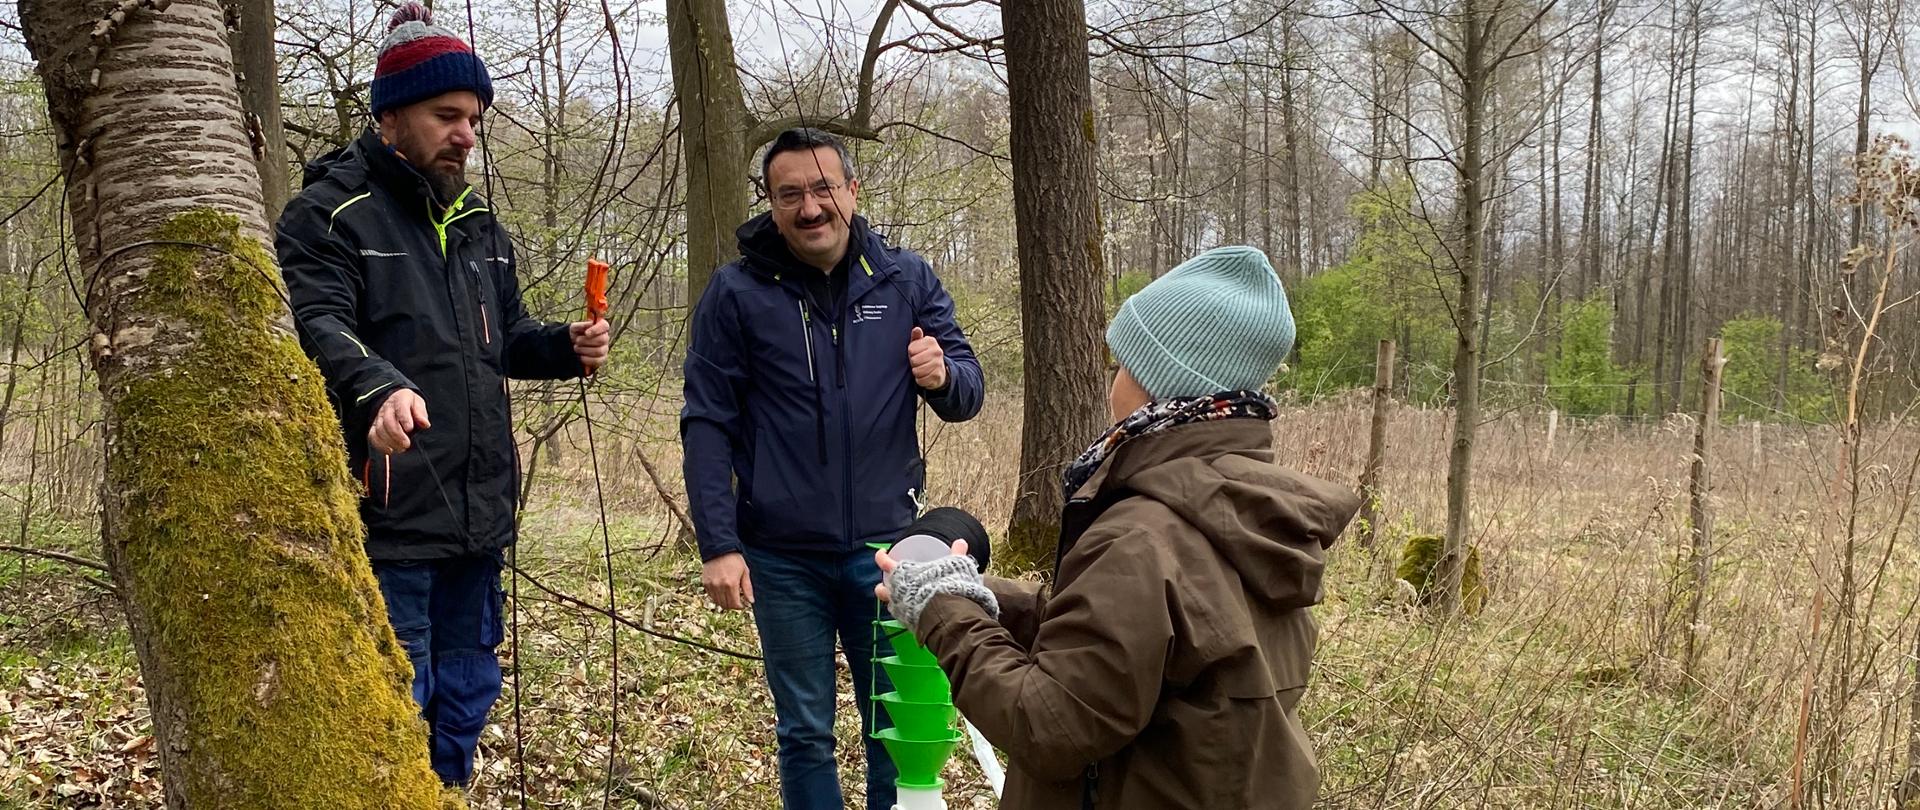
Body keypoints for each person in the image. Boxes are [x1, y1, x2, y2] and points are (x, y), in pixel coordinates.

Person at [876, 246, 1358, 809]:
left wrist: (941, 609)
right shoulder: (1245, 505)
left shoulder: (1142, 535)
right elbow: (1128, 644)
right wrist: (982, 596)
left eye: (1124, 362)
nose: (1114, 379)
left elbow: (1048, 722)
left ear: (1157, 382)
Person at [275, 1, 610, 787]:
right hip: (387, 512)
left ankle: (447, 793)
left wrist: (564, 345)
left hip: (480, 512)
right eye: (447, 115)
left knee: (466, 691)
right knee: (395, 693)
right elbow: (315, 322)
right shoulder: (329, 213)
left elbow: (507, 339)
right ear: (390, 117)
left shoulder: (480, 224)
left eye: (475, 118)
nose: (466, 134)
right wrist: (376, 388)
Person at [680, 127, 985, 809]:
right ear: (770, 202)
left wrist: (940, 376)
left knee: (891, 727)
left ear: (852, 190)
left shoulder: (906, 280)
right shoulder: (734, 294)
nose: (810, 208)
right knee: (805, 732)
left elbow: (968, 388)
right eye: (791, 195)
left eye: (823, 189)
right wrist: (719, 544)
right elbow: (706, 424)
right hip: (781, 557)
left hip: (886, 554)